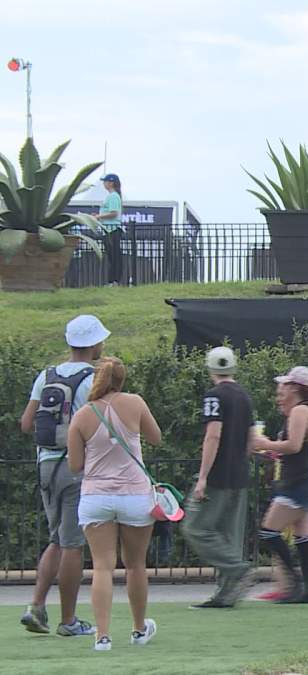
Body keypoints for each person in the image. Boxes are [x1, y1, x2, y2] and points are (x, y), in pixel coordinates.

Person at [18, 315, 107, 637]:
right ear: (94, 343)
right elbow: (103, 427)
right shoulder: (95, 379)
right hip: (77, 468)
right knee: (72, 545)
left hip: (46, 466)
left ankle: (36, 607)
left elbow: (27, 423)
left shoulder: (47, 375)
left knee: (56, 539)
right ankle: (68, 622)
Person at [67, 357, 161, 651]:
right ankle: (138, 629)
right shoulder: (135, 402)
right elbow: (155, 438)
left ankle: (102, 636)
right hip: (135, 495)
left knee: (102, 567)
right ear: (122, 379)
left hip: (96, 497)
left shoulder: (82, 415)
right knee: (135, 565)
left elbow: (75, 465)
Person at [183, 347, 255, 609]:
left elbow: (213, 435)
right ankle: (225, 595)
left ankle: (237, 569)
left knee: (195, 528)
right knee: (229, 536)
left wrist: (203, 477)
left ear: (210, 368)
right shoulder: (245, 397)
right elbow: (251, 439)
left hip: (217, 476)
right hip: (239, 474)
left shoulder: (214, 396)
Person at [252, 367, 308, 603]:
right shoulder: (304, 410)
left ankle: (293, 583)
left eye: (286, 386)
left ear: (296, 388)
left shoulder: (300, 411)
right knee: (303, 535)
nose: (281, 391)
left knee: (269, 531)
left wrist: (265, 443)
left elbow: (293, 445)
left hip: (298, 480)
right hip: (302, 478)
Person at [97, 174, 125, 286]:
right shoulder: (112, 196)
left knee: (114, 256)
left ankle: (114, 280)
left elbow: (113, 213)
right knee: (112, 256)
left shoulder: (113, 196)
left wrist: (98, 217)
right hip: (108, 230)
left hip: (111, 230)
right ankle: (113, 280)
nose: (104, 184)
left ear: (111, 183)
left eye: (105, 181)